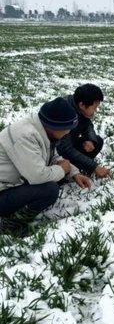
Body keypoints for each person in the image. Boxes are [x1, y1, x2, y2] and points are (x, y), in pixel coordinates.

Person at [0, 97, 92, 236]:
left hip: (10, 185)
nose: (68, 132)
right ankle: (9, 225)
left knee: (52, 180)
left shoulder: (42, 130)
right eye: (67, 128)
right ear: (54, 126)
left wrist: (73, 173)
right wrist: (63, 170)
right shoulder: (25, 135)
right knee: (49, 189)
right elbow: (37, 176)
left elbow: (52, 157)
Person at [57, 83, 110, 178]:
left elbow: (88, 125)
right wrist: (94, 167)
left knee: (97, 141)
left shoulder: (78, 106)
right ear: (82, 104)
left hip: (70, 145)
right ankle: (69, 173)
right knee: (59, 180)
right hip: (56, 155)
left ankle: (80, 169)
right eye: (94, 107)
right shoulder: (64, 113)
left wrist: (90, 139)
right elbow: (65, 148)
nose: (96, 111)